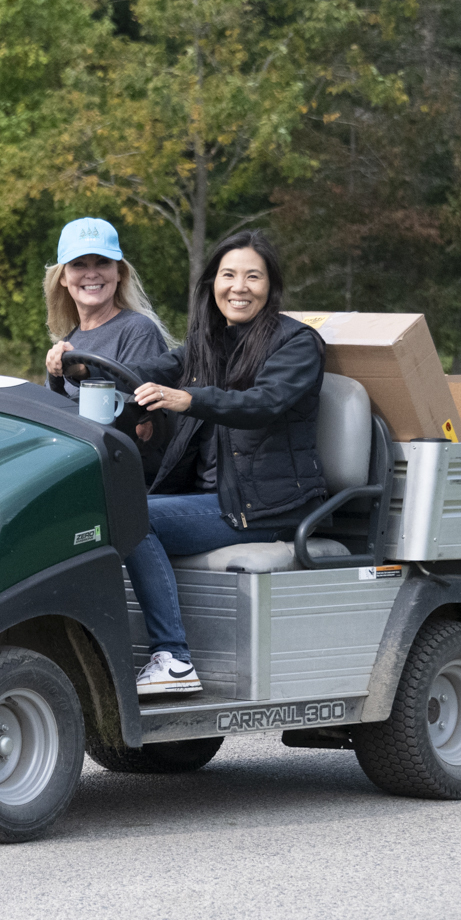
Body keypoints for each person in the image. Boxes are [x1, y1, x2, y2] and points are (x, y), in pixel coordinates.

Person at [110, 231, 328, 696]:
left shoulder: (297, 343)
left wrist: (188, 399)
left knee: (132, 516)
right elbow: (147, 372)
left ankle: (174, 660)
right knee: (102, 506)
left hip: (265, 503)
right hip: (214, 498)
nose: (239, 287)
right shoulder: (208, 343)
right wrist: (79, 369)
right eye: (229, 275)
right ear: (212, 283)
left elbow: (263, 404)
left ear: (271, 286)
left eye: (253, 276)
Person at [42, 217, 176, 466]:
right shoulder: (67, 344)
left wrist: (84, 374)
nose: (91, 273)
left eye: (102, 262)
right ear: (63, 278)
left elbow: (139, 427)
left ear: (119, 273)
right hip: (72, 466)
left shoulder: (138, 331)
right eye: (79, 264)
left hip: (120, 472)